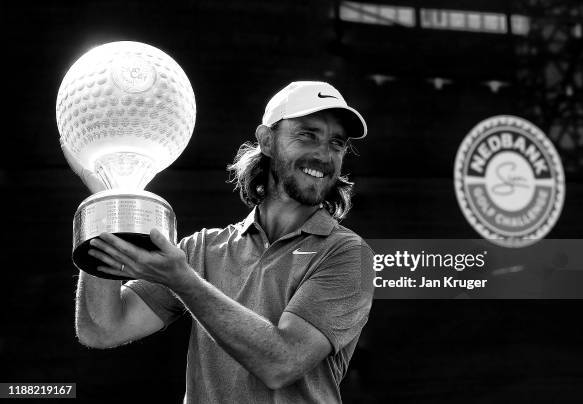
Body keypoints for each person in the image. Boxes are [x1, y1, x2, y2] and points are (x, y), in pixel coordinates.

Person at [74, 81, 375, 403]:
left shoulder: (349, 255)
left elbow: (282, 363)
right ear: (267, 141)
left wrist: (183, 281)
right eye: (307, 135)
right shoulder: (202, 249)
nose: (323, 154)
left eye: (337, 143)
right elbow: (102, 329)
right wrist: (104, 202)